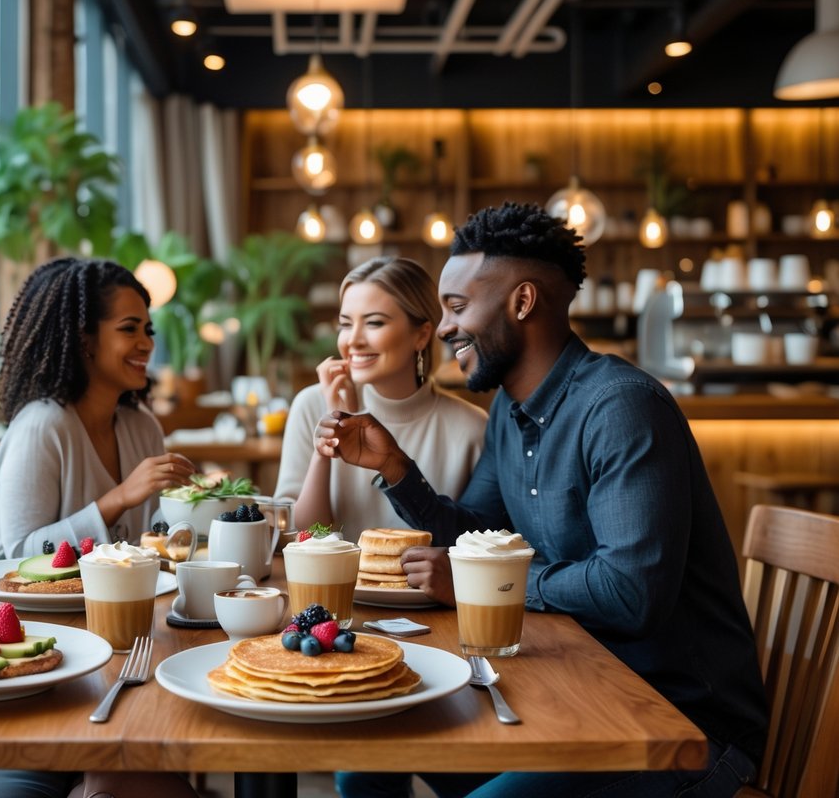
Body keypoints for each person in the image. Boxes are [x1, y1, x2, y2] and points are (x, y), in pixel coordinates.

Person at [316, 203, 767, 798]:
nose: (446, 326)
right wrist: (396, 469)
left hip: (675, 725)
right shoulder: (510, 408)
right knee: (364, 760)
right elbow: (473, 531)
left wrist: (482, 583)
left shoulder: (622, 408)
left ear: (522, 302)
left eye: (457, 307)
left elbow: (630, 594)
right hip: (573, 687)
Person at [0, 257, 196, 564]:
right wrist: (120, 497)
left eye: (148, 330)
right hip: (6, 604)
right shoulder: (42, 427)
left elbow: (147, 541)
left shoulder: (141, 426)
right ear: (84, 338)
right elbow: (21, 553)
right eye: (129, 329)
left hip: (97, 603)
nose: (147, 344)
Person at [275, 256, 486, 538]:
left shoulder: (471, 427)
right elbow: (302, 536)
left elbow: (477, 542)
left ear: (422, 336)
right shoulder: (311, 405)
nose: (353, 340)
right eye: (346, 324)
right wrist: (324, 450)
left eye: (374, 323)